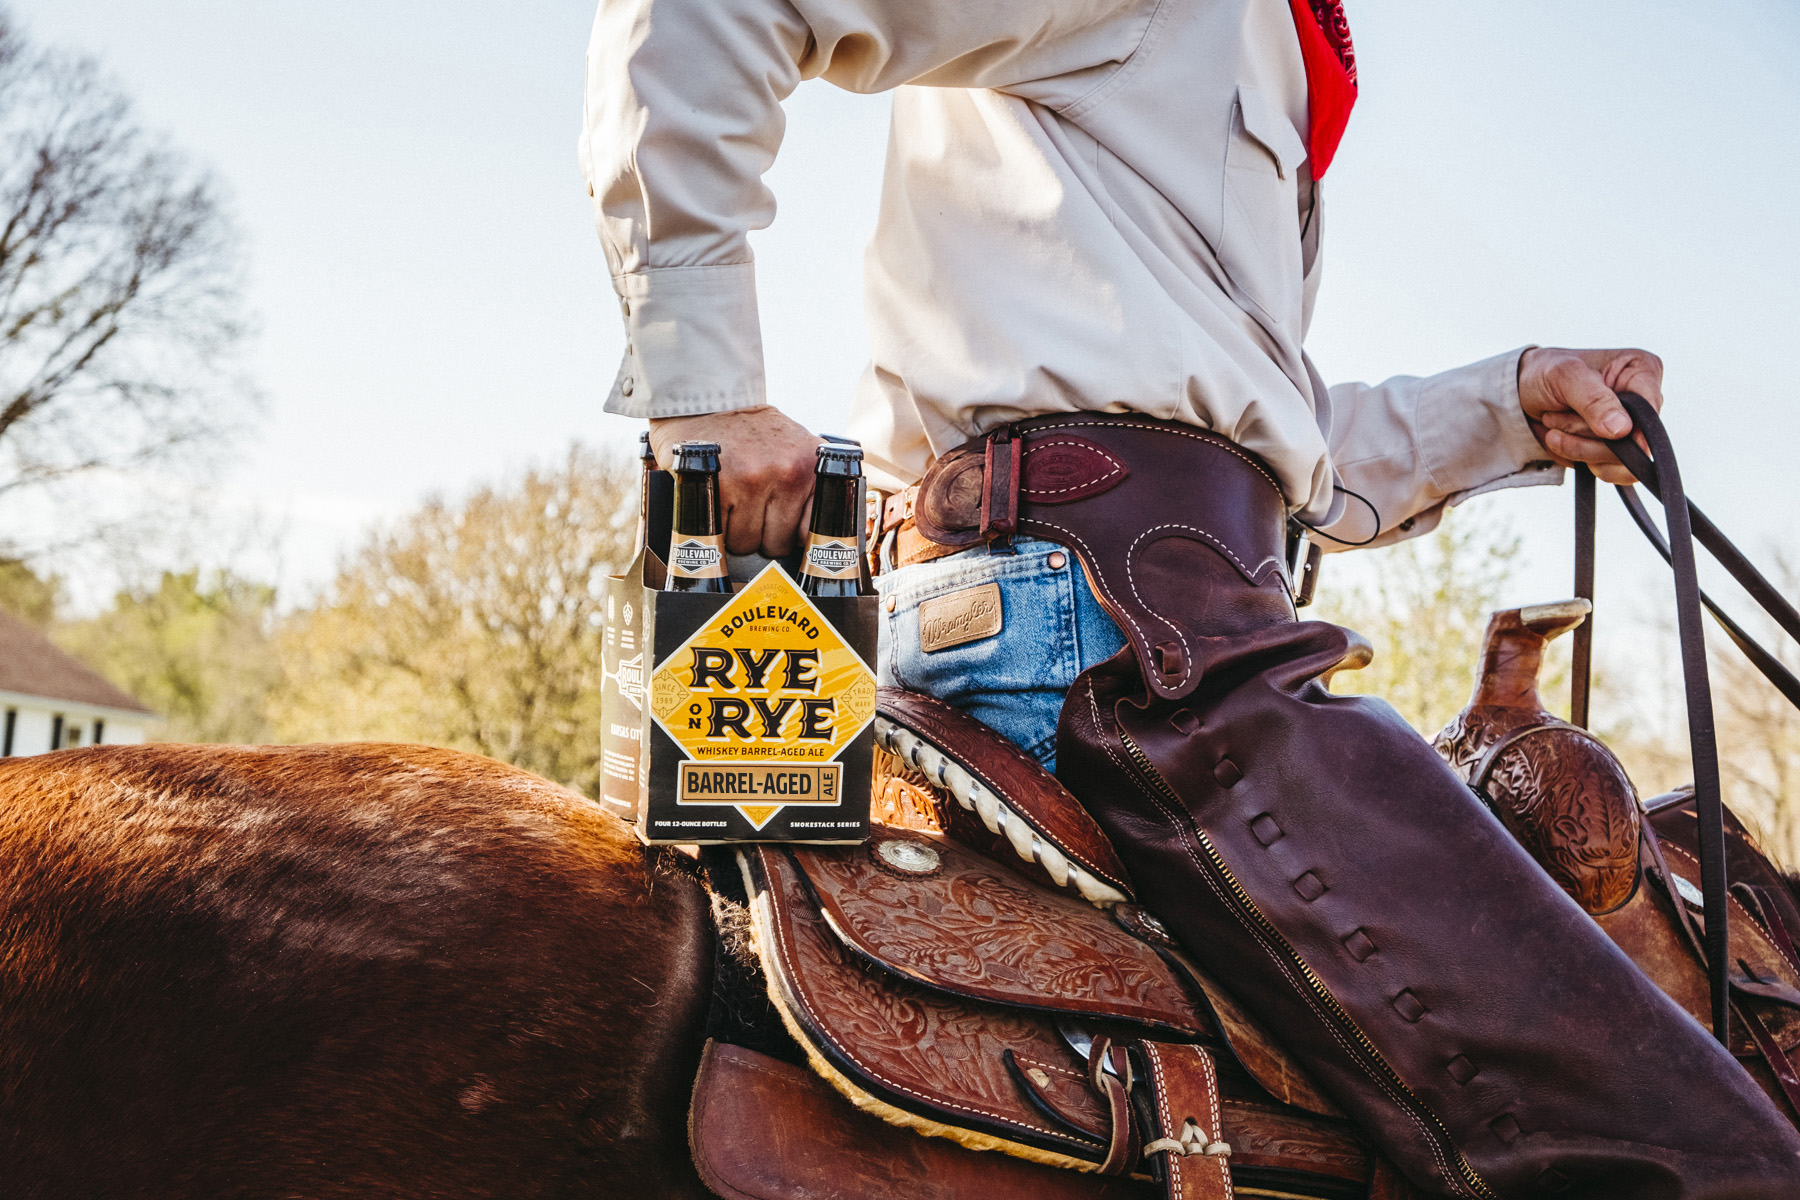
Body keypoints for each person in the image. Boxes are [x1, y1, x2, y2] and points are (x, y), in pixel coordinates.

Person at [580, 1, 1800, 1195]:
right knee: (1699, 1149)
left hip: (1139, 594)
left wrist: (1510, 403)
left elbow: (1255, 431)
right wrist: (706, 385)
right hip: (1106, 630)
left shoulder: (1263, 44)